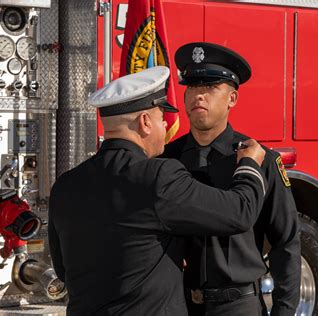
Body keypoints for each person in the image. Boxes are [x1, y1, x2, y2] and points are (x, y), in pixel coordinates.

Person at [48, 66, 270, 315]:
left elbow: (64, 270)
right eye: (161, 118)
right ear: (145, 123)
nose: (165, 126)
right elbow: (240, 212)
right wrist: (249, 165)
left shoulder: (65, 186)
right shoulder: (158, 177)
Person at [162, 43, 301, 316]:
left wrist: (284, 311)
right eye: (192, 86)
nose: (198, 95)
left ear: (232, 99)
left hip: (238, 306)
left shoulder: (258, 160)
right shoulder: (167, 160)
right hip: (180, 305)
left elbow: (286, 241)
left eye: (211, 87)